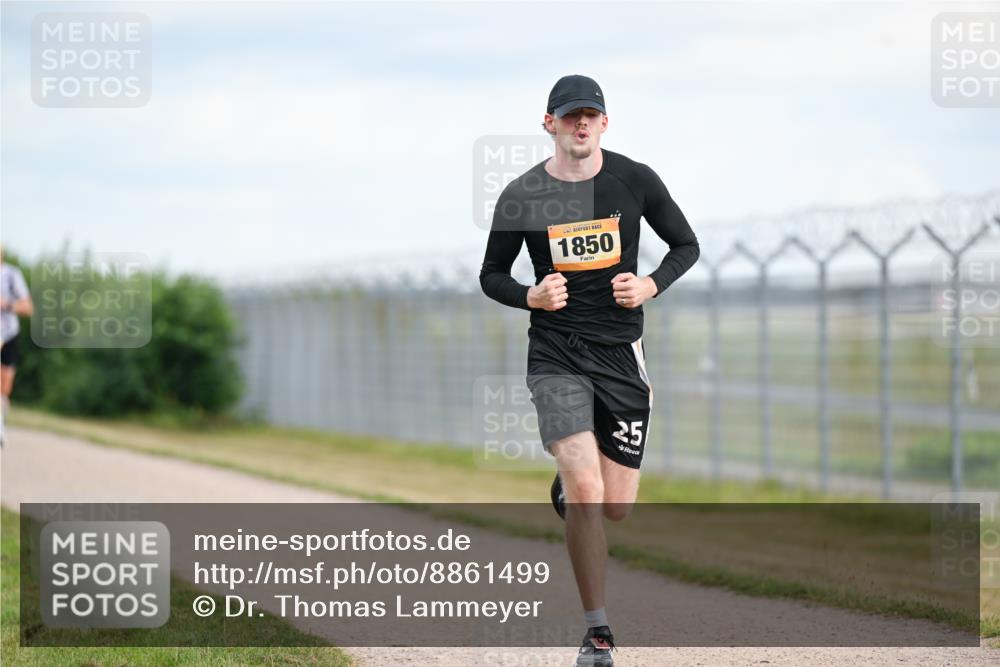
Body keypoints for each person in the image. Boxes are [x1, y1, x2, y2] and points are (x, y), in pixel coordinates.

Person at [479, 75, 699, 666]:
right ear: (548, 123)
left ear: (605, 123)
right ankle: (598, 631)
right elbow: (491, 274)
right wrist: (531, 296)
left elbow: (686, 245)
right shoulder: (521, 195)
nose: (581, 124)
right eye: (570, 115)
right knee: (585, 488)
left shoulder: (635, 180)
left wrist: (651, 283)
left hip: (621, 355)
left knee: (615, 505)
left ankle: (577, 490)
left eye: (591, 116)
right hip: (556, 353)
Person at [0, 246, 33, 447]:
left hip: (8, 333)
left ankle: (0, 422)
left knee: (4, 387)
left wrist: (7, 304)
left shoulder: (11, 275)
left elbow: (27, 307)